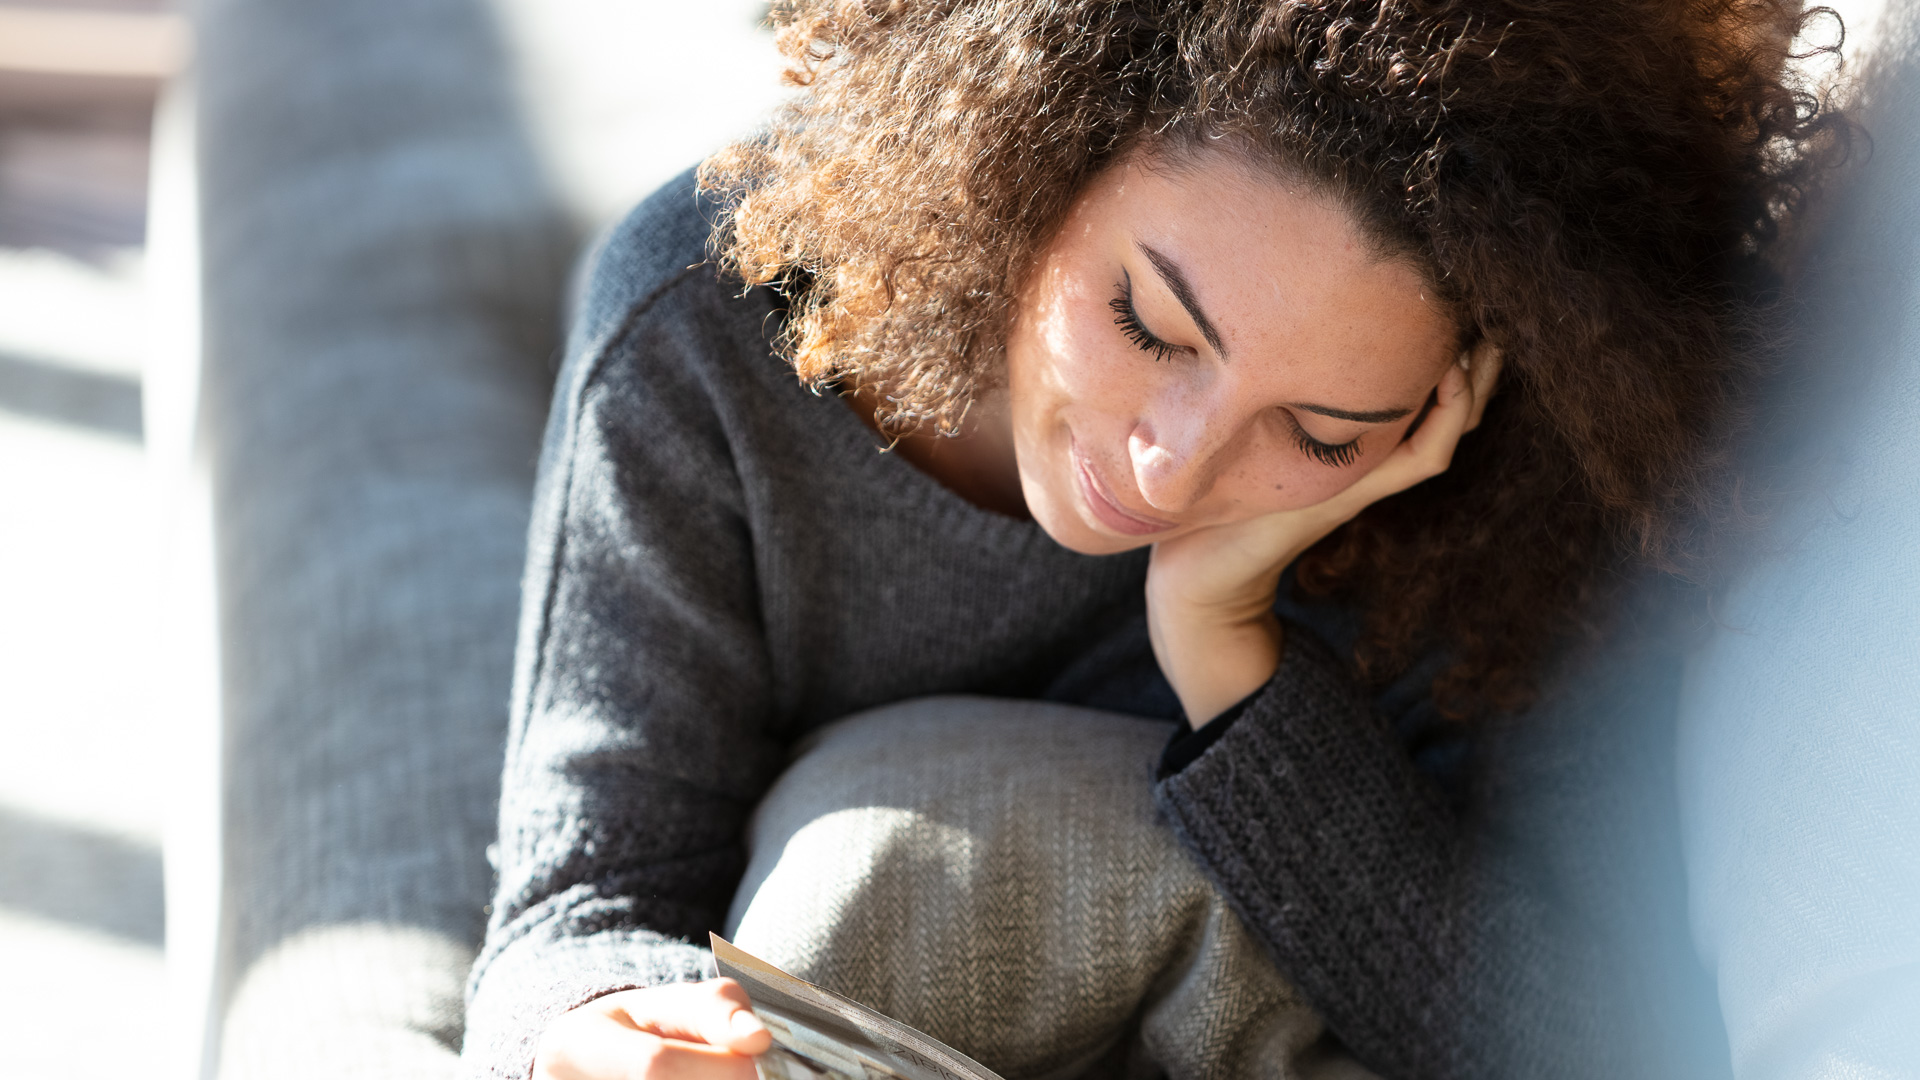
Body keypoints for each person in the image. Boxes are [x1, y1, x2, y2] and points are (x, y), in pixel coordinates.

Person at [461, 2, 1843, 1078]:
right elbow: (581, 904)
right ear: (1034, 151)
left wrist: (1229, 657)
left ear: (1460, 397)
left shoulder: (1479, 525)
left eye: (1320, 428)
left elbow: (1578, 1045)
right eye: (1150, 326)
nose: (1170, 465)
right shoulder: (710, 336)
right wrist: (596, 1030)